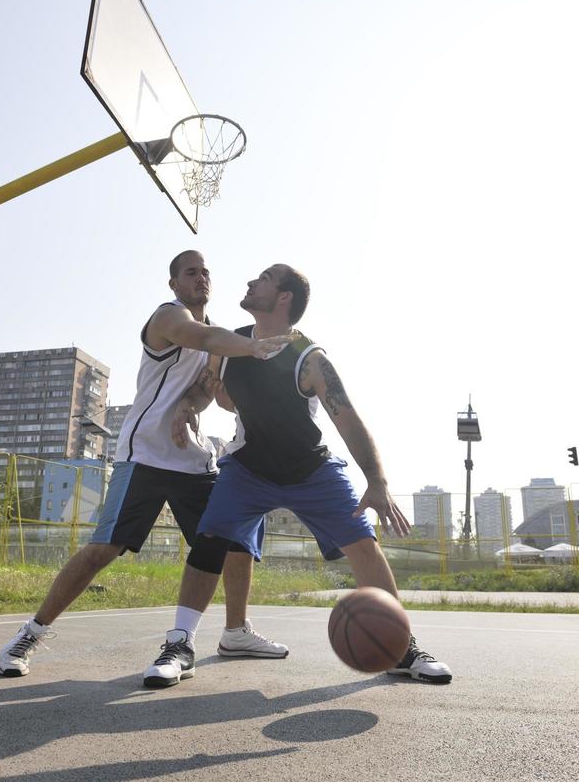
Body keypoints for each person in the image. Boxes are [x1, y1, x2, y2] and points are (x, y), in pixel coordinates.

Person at [143, 263, 452, 688]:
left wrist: (376, 480)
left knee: (362, 542)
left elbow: (346, 417)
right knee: (211, 537)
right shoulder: (229, 345)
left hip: (311, 470)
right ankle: (179, 644)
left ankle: (401, 645)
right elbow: (210, 389)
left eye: (264, 278)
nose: (251, 281)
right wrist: (187, 406)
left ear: (283, 297)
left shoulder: (310, 358)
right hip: (249, 467)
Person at [0, 250, 291, 678]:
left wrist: (187, 406)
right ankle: (30, 633)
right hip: (146, 455)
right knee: (104, 549)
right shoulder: (169, 317)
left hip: (192, 458)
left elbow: (206, 388)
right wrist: (254, 346)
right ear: (174, 284)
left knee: (236, 533)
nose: (201, 277)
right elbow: (203, 340)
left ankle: (230, 632)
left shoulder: (216, 335)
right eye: (191, 272)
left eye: (205, 271)